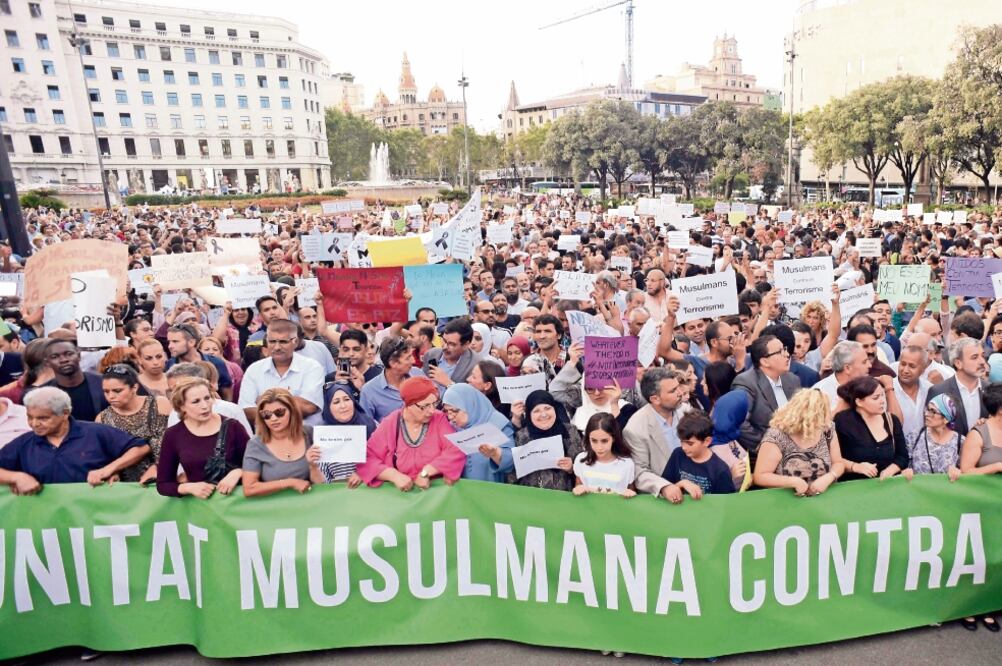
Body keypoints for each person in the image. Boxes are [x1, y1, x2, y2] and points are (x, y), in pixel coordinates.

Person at [0, 386, 150, 492]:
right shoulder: (24, 443)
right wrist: (16, 477)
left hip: (94, 521)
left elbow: (140, 447)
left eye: (43, 418)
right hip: (46, 524)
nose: (34, 423)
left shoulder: (94, 433)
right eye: (30, 417)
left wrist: (108, 470)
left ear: (65, 413)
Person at [356, 376, 466, 490]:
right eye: (425, 406)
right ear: (408, 404)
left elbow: (455, 450)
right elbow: (368, 457)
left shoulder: (439, 419)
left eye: (434, 404)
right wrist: (393, 475)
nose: (432, 410)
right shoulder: (390, 424)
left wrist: (426, 472)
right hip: (401, 495)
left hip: (435, 494)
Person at [157, 377, 249, 498]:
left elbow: (257, 465)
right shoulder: (173, 435)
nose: (205, 406)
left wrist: (238, 472)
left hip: (237, 502)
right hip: (201, 507)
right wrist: (188, 487)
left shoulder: (233, 427)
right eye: (196, 401)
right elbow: (163, 484)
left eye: (207, 398)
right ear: (181, 406)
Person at [753, 389, 844, 495]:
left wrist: (829, 477)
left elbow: (838, 463)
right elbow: (760, 476)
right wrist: (792, 482)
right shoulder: (777, 436)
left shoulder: (827, 428)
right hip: (788, 497)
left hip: (823, 495)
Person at [239, 319, 325, 425]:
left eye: (283, 342)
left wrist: (264, 401)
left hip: (305, 437)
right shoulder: (254, 370)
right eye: (272, 342)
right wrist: (292, 401)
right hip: (266, 439)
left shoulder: (312, 367)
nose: (277, 347)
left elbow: (308, 407)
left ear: (296, 342)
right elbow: (246, 412)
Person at [96, 364, 170, 484]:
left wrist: (158, 467)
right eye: (106, 391)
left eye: (117, 391)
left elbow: (176, 442)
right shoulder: (103, 418)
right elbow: (106, 456)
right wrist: (113, 472)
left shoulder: (159, 404)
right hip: (129, 487)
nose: (111, 396)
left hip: (166, 476)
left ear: (134, 388)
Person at [624, 367, 689, 499]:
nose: (680, 393)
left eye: (678, 387)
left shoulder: (685, 411)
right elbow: (639, 472)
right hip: (665, 500)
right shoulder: (635, 429)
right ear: (655, 399)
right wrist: (664, 487)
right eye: (672, 391)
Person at [731, 335, 802, 454]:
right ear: (764, 361)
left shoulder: (793, 380)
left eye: (785, 349)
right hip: (767, 455)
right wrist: (768, 445)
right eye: (780, 351)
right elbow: (740, 423)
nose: (787, 354)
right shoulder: (746, 383)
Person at [834, 376, 909, 482]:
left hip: (886, 486)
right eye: (876, 398)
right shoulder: (842, 421)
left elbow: (902, 456)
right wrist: (855, 466)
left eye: (883, 395)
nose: (882, 401)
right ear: (859, 402)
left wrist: (891, 470)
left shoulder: (892, 420)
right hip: (854, 487)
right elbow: (833, 457)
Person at [242, 388, 314, 497]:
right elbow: (249, 488)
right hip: (275, 509)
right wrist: (289, 483)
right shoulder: (255, 444)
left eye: (279, 412)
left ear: (292, 411)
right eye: (266, 414)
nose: (273, 418)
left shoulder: (309, 434)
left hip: (310, 504)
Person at [441, 383, 515, 482]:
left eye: (454, 411)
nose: (450, 417)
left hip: (491, 491)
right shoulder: (451, 427)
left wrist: (495, 453)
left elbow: (512, 462)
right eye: (447, 411)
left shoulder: (497, 423)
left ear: (470, 404)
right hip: (460, 491)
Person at [512, 389, 583, 492]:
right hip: (531, 496)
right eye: (536, 411)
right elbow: (513, 475)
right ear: (529, 414)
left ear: (554, 409)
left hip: (564, 496)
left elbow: (583, 467)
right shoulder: (522, 436)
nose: (544, 414)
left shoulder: (570, 431)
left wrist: (572, 468)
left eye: (547, 408)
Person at [660, 411, 736, 503]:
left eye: (690, 443)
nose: (684, 447)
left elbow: (724, 505)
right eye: (682, 441)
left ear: (707, 441)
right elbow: (664, 487)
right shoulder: (678, 454)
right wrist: (682, 483)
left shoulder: (720, 470)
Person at [307, 382, 372, 485]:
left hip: (371, 492)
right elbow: (322, 484)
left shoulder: (372, 426)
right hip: (338, 496)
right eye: (336, 402)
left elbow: (385, 462)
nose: (343, 406)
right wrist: (313, 467)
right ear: (328, 407)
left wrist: (364, 472)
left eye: (347, 399)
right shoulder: (323, 435)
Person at [927, 337, 988, 437]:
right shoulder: (939, 391)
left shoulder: (991, 390)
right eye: (974, 357)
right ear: (958, 363)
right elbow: (932, 432)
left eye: (983, 356)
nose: (982, 361)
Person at [39, 339, 108, 421]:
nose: (64, 360)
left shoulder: (104, 383)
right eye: (55, 357)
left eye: (69, 354)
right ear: (47, 362)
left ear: (78, 356)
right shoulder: (42, 393)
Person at [572, 412, 636, 497]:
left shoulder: (627, 464)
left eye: (604, 441)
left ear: (613, 438)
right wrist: (578, 489)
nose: (599, 447)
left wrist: (630, 493)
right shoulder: (581, 460)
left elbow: (631, 491)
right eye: (594, 440)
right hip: (589, 508)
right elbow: (578, 485)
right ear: (588, 438)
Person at [165, 323, 234, 401]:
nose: (170, 346)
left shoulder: (216, 363)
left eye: (175, 341)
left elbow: (227, 394)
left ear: (191, 342)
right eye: (169, 342)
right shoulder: (170, 365)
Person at [905, 394, 961, 478]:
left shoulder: (961, 442)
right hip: (917, 490)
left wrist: (959, 472)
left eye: (932, 411)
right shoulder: (914, 437)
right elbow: (903, 463)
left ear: (946, 419)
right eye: (927, 409)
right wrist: (906, 471)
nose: (926, 414)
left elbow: (966, 472)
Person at [708, 390, 750, 489]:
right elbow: (709, 490)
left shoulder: (728, 435)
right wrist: (731, 476)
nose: (747, 413)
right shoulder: (711, 449)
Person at [813, 340, 869, 410]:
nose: (869, 365)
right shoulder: (821, 393)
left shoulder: (871, 388)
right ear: (847, 368)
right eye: (864, 362)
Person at [424, 318, 477, 387]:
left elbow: (472, 396)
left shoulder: (476, 365)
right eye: (444, 340)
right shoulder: (431, 354)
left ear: (466, 344)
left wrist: (449, 383)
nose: (445, 347)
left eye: (452, 344)